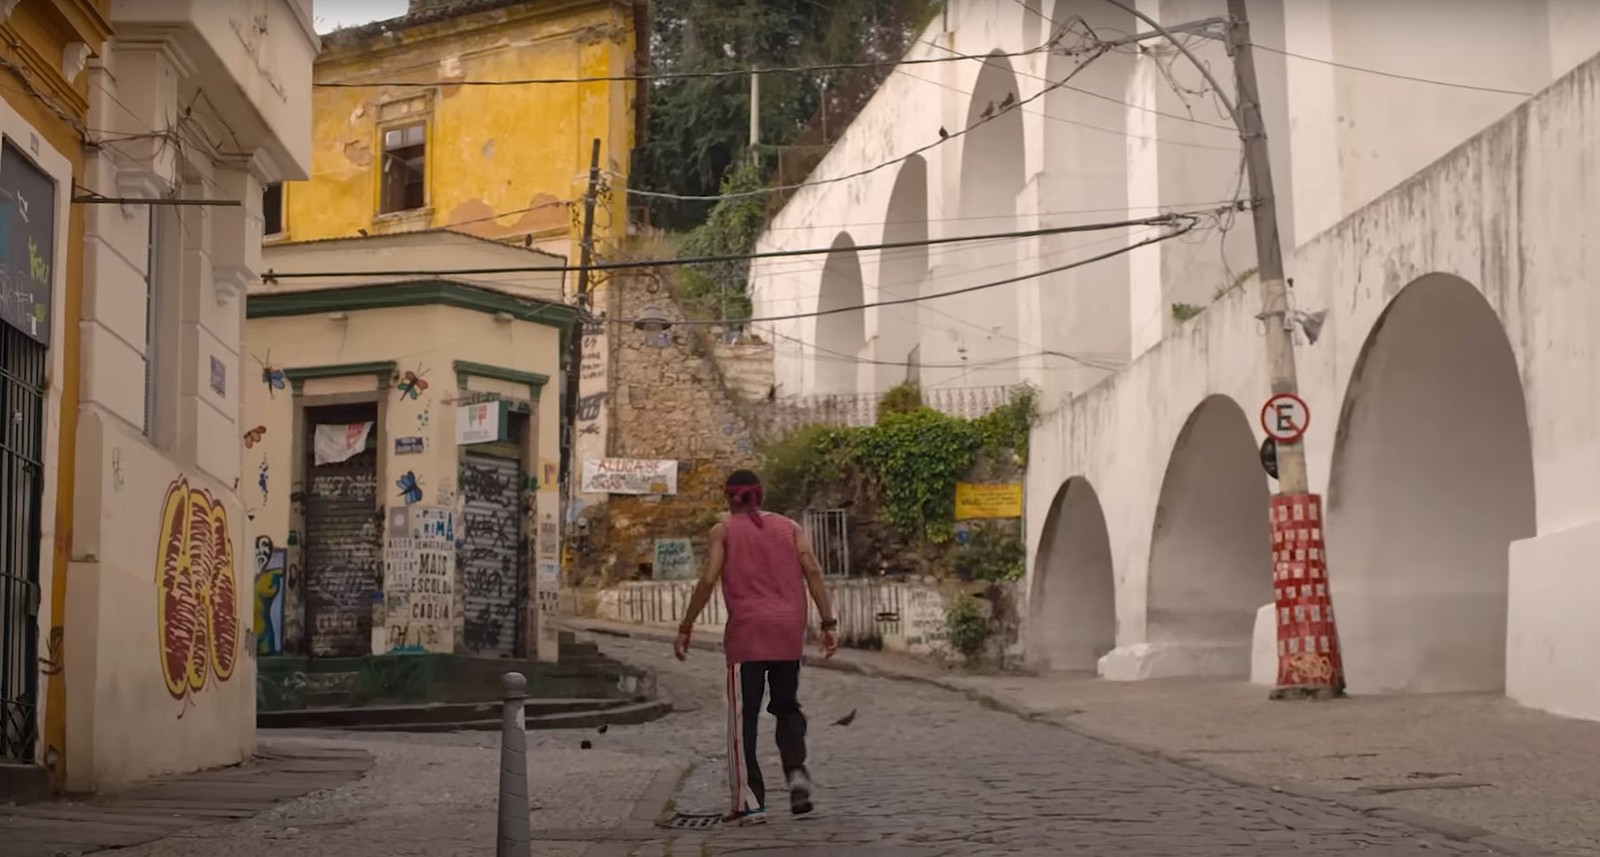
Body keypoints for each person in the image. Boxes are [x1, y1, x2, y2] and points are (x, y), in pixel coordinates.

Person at [674, 469, 840, 826]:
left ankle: (750, 803)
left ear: (728, 497)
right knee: (786, 706)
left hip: (747, 636)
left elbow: (709, 578)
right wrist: (828, 623)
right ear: (761, 495)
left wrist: (686, 625)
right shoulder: (790, 527)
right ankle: (796, 772)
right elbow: (812, 569)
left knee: (743, 720)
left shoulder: (724, 531)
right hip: (787, 632)